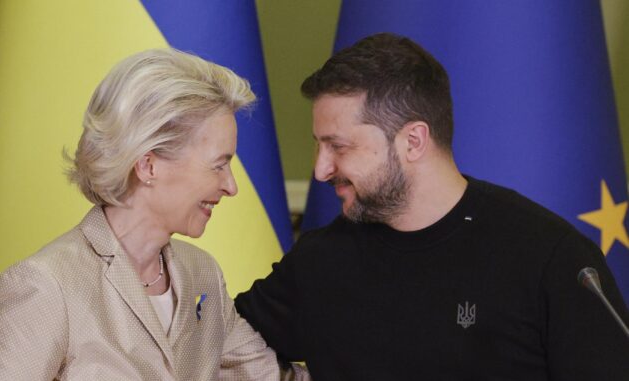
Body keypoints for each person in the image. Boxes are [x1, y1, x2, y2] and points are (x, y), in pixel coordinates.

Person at [235, 33, 629, 380]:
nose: (321, 169)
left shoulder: (550, 258)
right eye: (319, 146)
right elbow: (211, 349)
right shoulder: (320, 261)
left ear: (413, 141)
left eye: (339, 146)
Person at [0, 48, 307, 380]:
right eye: (219, 166)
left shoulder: (202, 276)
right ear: (148, 165)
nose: (231, 186)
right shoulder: (45, 287)